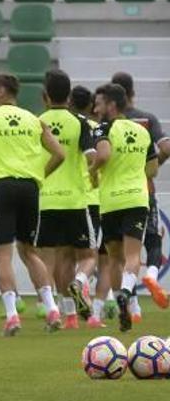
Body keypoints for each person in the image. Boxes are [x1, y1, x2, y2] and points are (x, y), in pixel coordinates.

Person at [0, 74, 66, 336]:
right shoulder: (35, 120)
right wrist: (39, 176)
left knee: (2, 254)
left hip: (2, 187)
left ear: (0, 91)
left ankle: (12, 315)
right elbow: (60, 154)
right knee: (30, 251)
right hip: (30, 187)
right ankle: (52, 308)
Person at [90, 83, 161, 332]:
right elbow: (152, 169)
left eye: (99, 103)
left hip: (110, 201)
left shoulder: (103, 127)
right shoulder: (142, 130)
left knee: (114, 260)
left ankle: (124, 298)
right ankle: (127, 295)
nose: (95, 108)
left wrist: (92, 172)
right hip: (136, 200)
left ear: (111, 105)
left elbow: (104, 155)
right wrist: (133, 173)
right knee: (133, 257)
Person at [35, 70, 97, 330]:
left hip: (45, 200)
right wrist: (92, 178)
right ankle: (80, 282)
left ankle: (59, 313)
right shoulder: (80, 122)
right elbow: (93, 157)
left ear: (44, 96)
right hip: (74, 200)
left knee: (49, 261)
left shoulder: (35, 122)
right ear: (69, 95)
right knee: (88, 256)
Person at [111, 72, 170, 309]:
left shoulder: (110, 124)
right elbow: (166, 147)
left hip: (114, 193)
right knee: (152, 240)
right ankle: (152, 276)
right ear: (132, 93)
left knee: (123, 251)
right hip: (144, 190)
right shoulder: (147, 120)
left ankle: (132, 304)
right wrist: (149, 166)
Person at [70, 86, 118, 326]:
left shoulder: (71, 126)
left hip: (78, 199)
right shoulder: (96, 130)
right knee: (103, 258)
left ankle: (70, 307)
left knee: (74, 255)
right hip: (98, 199)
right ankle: (95, 309)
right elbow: (100, 159)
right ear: (91, 105)